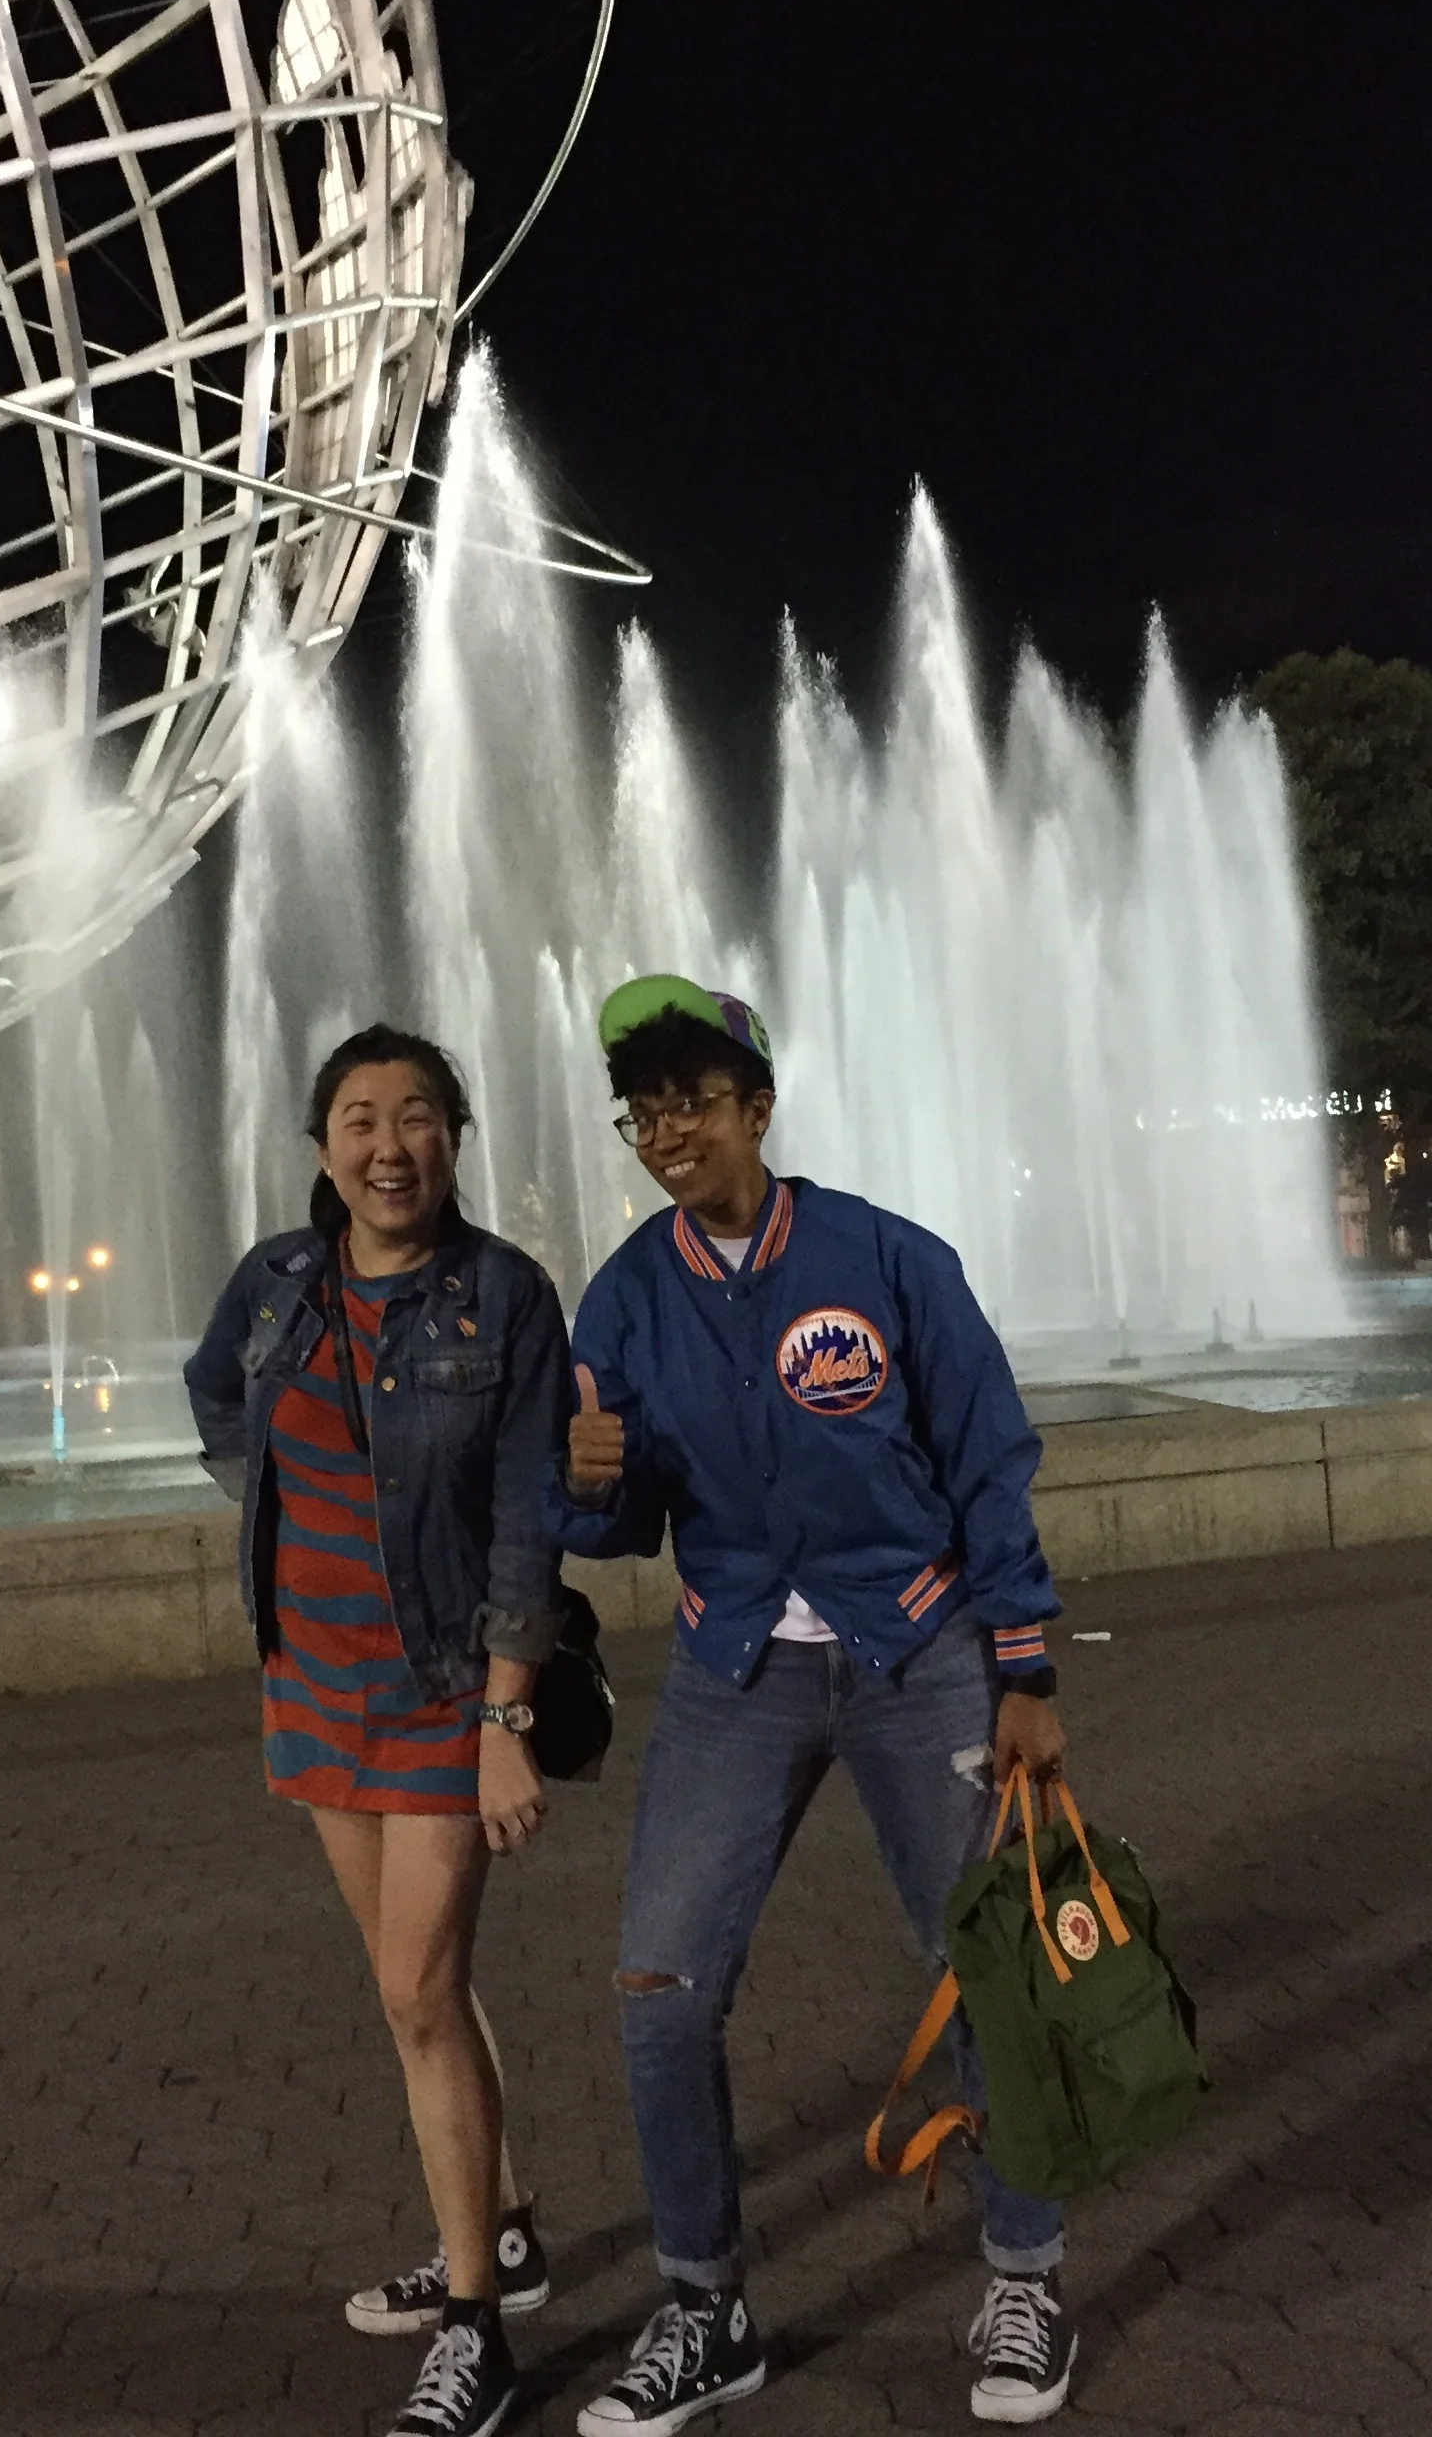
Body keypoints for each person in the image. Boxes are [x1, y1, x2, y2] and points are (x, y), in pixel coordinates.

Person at [549, 975, 1080, 2432]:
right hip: (738, 1668)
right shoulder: (628, 1293)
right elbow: (614, 1522)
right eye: (644, 1109)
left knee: (988, 1968)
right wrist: (582, 1488)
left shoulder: (888, 1258)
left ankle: (1025, 2274)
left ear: (758, 1109)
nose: (668, 1132)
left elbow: (989, 1460)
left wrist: (1024, 1665)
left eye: (695, 1101)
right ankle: (705, 2309)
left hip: (918, 1653)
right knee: (660, 1989)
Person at [185, 1025, 572, 2437]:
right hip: (314, 1679)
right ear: (322, 1144)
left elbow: (534, 1517)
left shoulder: (504, 1298)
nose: (388, 1144)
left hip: (437, 1684)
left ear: (454, 1139)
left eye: (416, 1116)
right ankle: (507, 2226)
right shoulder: (280, 1282)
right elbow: (213, 1393)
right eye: (359, 1117)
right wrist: (273, 1516)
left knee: (419, 1992)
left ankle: (477, 2327)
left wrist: (502, 1719)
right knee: (414, 1989)